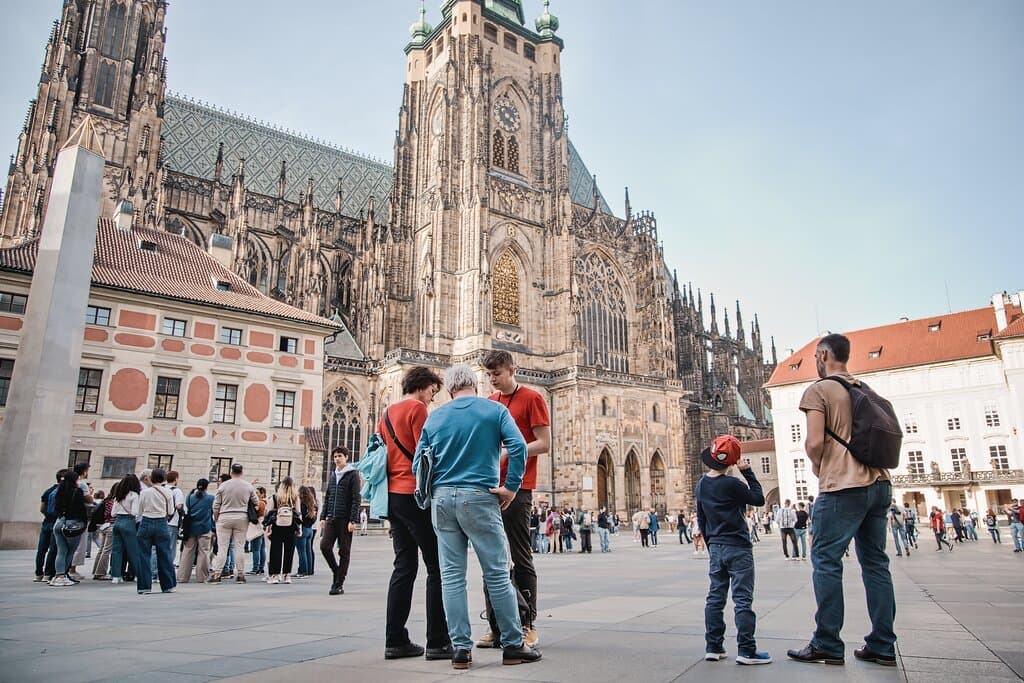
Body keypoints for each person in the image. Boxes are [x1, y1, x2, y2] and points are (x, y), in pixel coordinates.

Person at [414, 363, 540, 669]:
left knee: (451, 578)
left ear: (449, 389)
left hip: (443, 499)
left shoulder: (435, 416)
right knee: (497, 574)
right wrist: (511, 487)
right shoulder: (494, 410)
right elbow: (519, 448)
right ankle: (513, 645)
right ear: (475, 384)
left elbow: (419, 464)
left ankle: (460, 649)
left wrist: (431, 494)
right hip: (480, 496)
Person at [787, 333, 897, 667]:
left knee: (826, 560)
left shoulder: (820, 390)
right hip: (880, 483)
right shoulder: (864, 389)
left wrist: (818, 465)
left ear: (823, 355)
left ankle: (827, 643)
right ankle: (882, 644)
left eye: (815, 357)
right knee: (876, 564)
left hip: (843, 486)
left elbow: (814, 442)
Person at [477, 350, 550, 650]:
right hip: (490, 485)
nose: (492, 379)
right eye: (489, 374)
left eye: (497, 374)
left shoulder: (532, 398)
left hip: (519, 487)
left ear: (511, 370)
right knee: (490, 558)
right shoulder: (490, 402)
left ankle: (528, 623)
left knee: (520, 557)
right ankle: (496, 625)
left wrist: (511, 451)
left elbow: (544, 443)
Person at [378, 367, 452, 661]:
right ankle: (438, 641)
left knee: (404, 567)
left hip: (393, 496)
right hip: (415, 495)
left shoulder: (387, 412)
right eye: (433, 392)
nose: (432, 398)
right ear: (422, 386)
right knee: (436, 567)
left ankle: (395, 639)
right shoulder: (417, 410)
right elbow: (427, 452)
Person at [696, 435, 771, 665]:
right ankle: (746, 650)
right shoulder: (732, 484)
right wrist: (747, 472)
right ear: (732, 462)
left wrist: (711, 545)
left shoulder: (701, 485)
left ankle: (713, 647)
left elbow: (702, 520)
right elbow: (758, 499)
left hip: (716, 547)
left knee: (715, 598)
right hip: (738, 546)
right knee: (742, 600)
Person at [321, 446, 361, 595]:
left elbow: (356, 498)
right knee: (325, 546)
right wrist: (323, 516)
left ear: (346, 457)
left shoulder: (352, 474)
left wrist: (353, 520)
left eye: (339, 456)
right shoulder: (333, 475)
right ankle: (336, 571)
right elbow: (328, 496)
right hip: (332, 517)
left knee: (344, 551)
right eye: (335, 457)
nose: (337, 459)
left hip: (345, 519)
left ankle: (338, 583)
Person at [209, 463, 258, 583]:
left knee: (222, 547)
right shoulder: (248, 486)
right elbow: (256, 502)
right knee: (239, 547)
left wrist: (217, 518)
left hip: (224, 516)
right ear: (242, 472)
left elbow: (216, 505)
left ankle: (217, 574)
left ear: (231, 472)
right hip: (242, 517)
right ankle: (240, 574)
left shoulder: (223, 486)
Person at [136, 467, 176, 595]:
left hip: (146, 521)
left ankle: (144, 587)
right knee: (165, 554)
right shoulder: (168, 492)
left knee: (144, 555)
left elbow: (139, 510)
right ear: (164, 479)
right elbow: (171, 511)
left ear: (151, 478)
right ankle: (168, 585)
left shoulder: (144, 492)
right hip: (161, 522)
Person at [50, 469, 89, 586]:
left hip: (59, 522)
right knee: (70, 551)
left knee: (61, 551)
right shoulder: (77, 491)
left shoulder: (59, 491)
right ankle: (63, 575)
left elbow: (56, 508)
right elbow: (80, 509)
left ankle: (58, 575)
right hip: (73, 524)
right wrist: (84, 523)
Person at [177, 478, 215, 583]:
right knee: (203, 551)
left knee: (187, 551)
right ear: (207, 487)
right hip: (204, 527)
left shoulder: (189, 497)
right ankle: (202, 577)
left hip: (190, 527)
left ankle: (183, 576)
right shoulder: (210, 498)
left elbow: (187, 508)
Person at [265, 476, 301, 584]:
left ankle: (275, 575)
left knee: (275, 550)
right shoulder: (295, 498)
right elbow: (298, 514)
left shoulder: (275, 497)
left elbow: (269, 514)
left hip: (277, 526)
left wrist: (268, 529)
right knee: (289, 550)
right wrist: (299, 528)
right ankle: (287, 574)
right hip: (291, 526)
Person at [109, 474, 141, 585]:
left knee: (117, 550)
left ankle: (116, 576)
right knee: (133, 550)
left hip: (117, 521)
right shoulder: (134, 495)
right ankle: (137, 574)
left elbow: (112, 513)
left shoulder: (118, 495)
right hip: (129, 522)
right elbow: (135, 512)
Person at [67, 461, 95, 581]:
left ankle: (65, 569)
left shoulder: (68, 483)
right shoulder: (82, 484)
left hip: (67, 516)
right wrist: (91, 495)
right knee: (79, 544)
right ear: (84, 471)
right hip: (80, 516)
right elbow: (88, 499)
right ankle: (72, 569)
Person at [35, 470, 64, 582]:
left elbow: (42, 508)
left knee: (42, 549)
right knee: (53, 548)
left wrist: (47, 515)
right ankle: (48, 573)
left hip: (46, 521)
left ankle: (38, 573)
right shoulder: (62, 491)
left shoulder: (48, 491)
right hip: (56, 521)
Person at [90, 490, 115, 579]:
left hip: (104, 525)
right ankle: (101, 573)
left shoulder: (106, 500)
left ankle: (96, 571)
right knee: (106, 551)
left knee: (102, 550)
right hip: (111, 525)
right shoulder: (113, 502)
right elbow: (112, 514)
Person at [295, 486, 319, 577]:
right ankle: (309, 570)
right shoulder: (312, 504)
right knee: (308, 550)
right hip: (309, 529)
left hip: (303, 528)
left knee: (301, 551)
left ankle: (303, 570)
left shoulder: (301, 505)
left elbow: (299, 517)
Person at [165, 470, 186, 566]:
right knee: (170, 547)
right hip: (172, 521)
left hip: (160, 521)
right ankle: (167, 567)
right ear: (176, 479)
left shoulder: (162, 489)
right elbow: (179, 506)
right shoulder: (176, 491)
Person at [248, 486, 268, 577]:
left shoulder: (260, 503)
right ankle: (261, 568)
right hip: (262, 526)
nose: (255, 494)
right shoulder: (265, 502)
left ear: (262, 494)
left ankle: (255, 568)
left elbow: (255, 511)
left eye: (257, 493)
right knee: (262, 548)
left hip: (256, 526)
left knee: (256, 549)